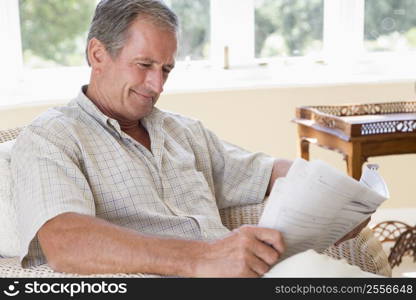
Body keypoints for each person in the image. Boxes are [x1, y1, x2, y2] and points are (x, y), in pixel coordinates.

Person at [11, 0, 365, 278]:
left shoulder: (183, 131)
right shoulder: (52, 136)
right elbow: (65, 242)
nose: (158, 85)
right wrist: (204, 259)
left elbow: (270, 171)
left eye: (166, 69)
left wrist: (339, 198)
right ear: (98, 55)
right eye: (145, 65)